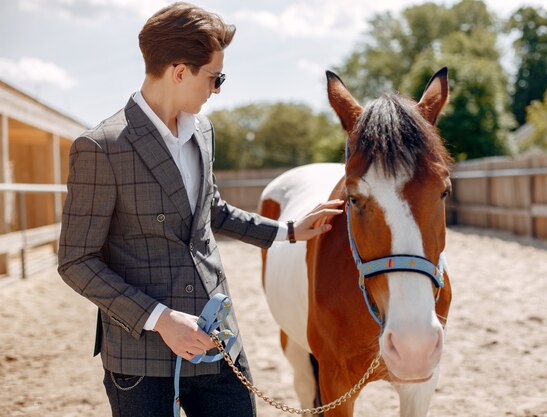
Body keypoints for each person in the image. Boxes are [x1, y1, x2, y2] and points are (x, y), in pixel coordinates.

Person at [57, 3, 344, 416]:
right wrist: (161, 320)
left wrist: (291, 230)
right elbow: (76, 261)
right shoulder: (102, 147)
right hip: (142, 358)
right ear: (179, 71)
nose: (217, 89)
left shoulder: (203, 132)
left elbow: (213, 212)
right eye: (215, 77)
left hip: (217, 340)